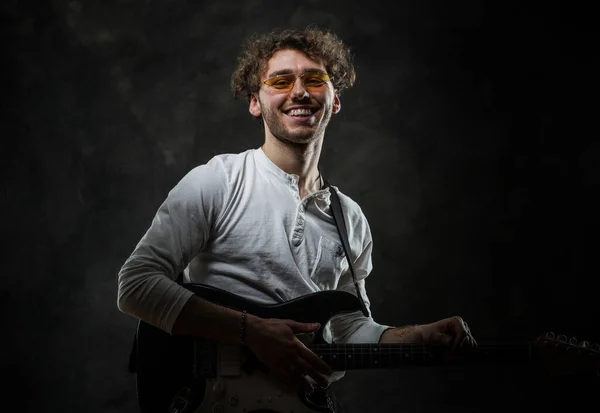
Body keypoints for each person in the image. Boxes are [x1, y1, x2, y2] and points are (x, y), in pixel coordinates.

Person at [117, 26, 476, 412]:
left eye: (315, 79)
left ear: (334, 100)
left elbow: (347, 329)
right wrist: (251, 332)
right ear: (256, 101)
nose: (300, 91)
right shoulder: (217, 180)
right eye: (281, 80)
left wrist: (417, 335)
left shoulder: (349, 219)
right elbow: (136, 285)